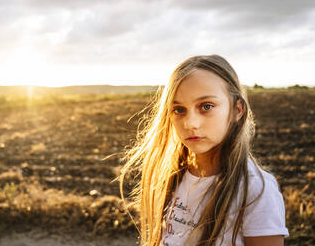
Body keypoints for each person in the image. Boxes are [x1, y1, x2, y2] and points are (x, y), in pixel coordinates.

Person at [119, 55, 289, 246]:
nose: (191, 123)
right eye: (179, 109)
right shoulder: (174, 175)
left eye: (206, 106)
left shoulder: (256, 190)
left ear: (237, 109)